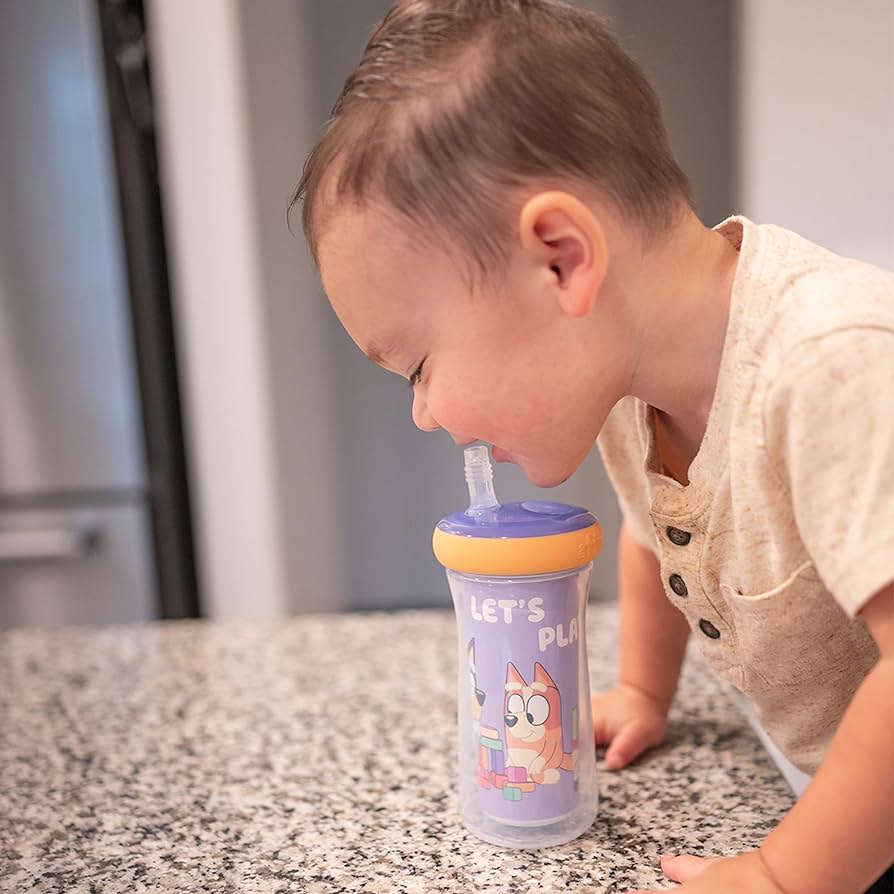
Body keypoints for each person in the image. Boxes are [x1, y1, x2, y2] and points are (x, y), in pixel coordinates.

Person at [290, 1, 894, 891]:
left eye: (417, 365)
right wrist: (645, 692)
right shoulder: (624, 379)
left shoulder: (828, 365)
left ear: (561, 258)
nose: (422, 413)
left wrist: (784, 875)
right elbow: (654, 530)